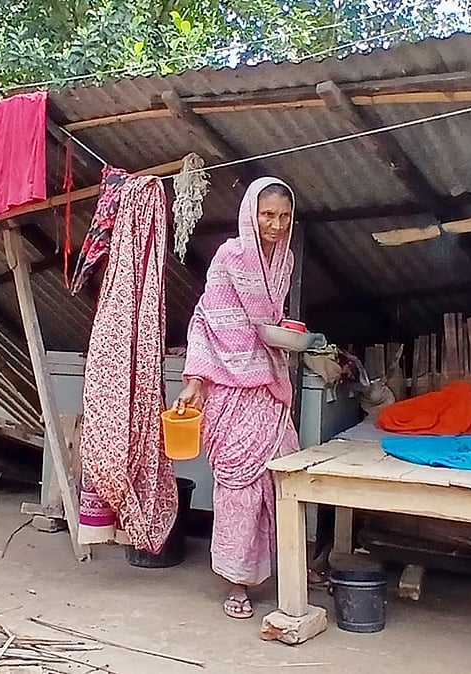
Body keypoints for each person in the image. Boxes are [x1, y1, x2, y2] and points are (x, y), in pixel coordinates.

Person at [173, 177, 301, 619]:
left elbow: (271, 319)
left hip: (268, 384)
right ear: (251, 214)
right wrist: (195, 382)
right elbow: (207, 319)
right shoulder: (229, 256)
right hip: (229, 387)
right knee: (239, 489)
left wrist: (287, 335)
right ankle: (236, 581)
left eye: (284, 217)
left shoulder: (285, 259)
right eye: (268, 215)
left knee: (280, 476)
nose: (276, 224)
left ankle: (281, 568)